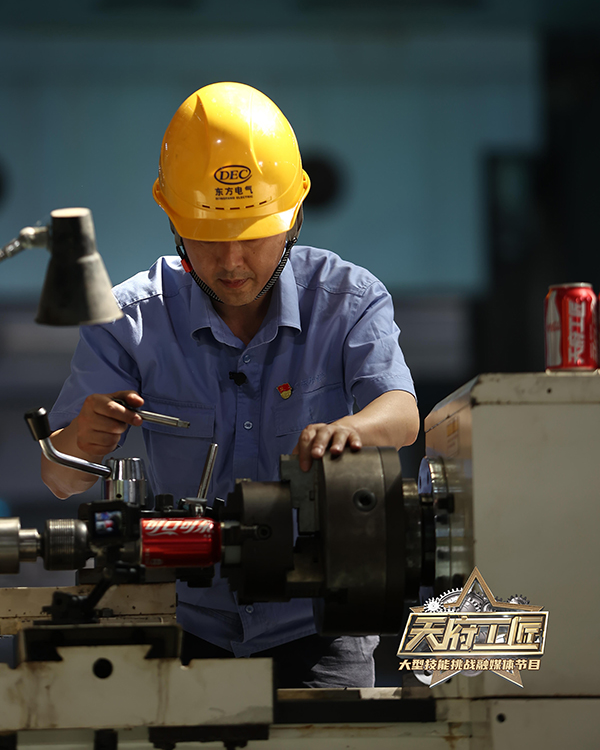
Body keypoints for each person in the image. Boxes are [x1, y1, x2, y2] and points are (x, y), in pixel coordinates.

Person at [41, 82, 419, 687]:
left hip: (318, 625)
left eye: (252, 236)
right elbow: (59, 478)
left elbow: (401, 414)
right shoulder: (130, 319)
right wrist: (85, 436)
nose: (233, 262)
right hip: (182, 624)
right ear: (174, 222)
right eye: (210, 240)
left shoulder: (347, 299)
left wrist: (350, 428)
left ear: (293, 215)